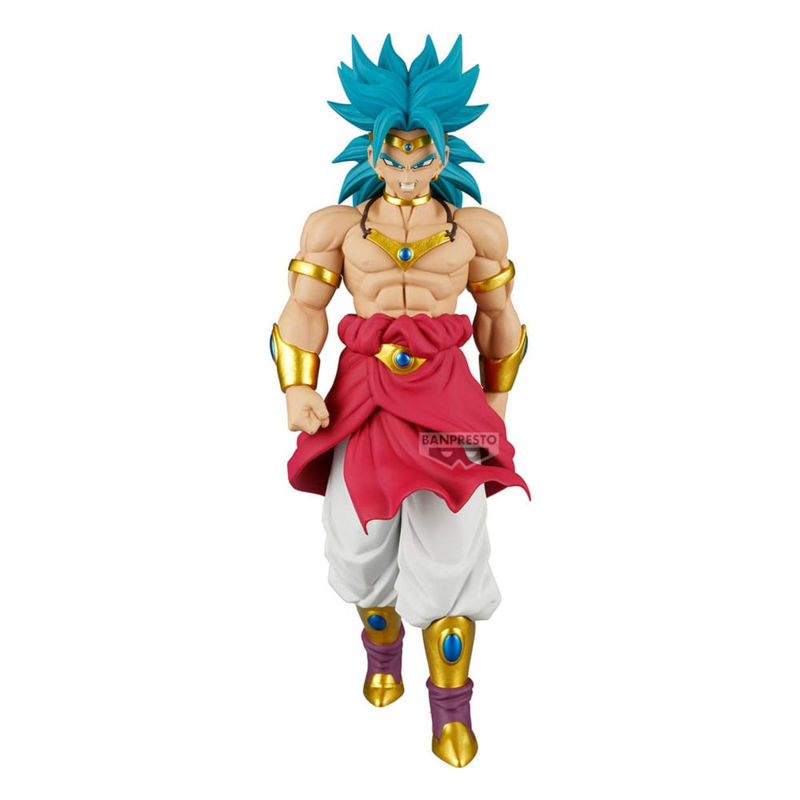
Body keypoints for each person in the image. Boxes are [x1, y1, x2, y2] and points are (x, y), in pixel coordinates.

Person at [270, 34, 530, 768]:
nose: (408, 173)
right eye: (395, 157)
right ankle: (381, 650)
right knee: (357, 548)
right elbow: (302, 310)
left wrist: (497, 401)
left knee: (452, 547)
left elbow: (501, 318)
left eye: (422, 158)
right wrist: (297, 386)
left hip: (449, 405)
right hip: (365, 402)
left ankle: (451, 711)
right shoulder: (334, 228)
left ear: (444, 154)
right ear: (373, 153)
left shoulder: (478, 230)